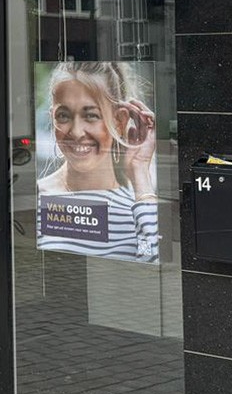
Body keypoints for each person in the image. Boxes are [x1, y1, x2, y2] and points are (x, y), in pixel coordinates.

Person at [37, 61, 159, 262]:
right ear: (52, 118)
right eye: (63, 116)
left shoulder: (139, 207)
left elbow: (154, 265)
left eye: (91, 116)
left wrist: (140, 172)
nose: (76, 132)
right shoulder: (38, 197)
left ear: (119, 121)